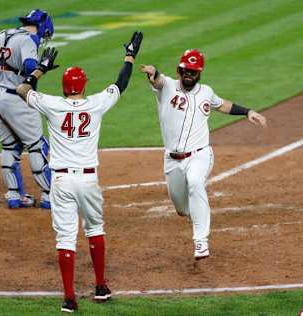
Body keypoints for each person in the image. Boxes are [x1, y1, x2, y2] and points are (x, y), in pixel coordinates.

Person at [17, 31, 143, 313]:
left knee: (65, 238)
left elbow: (22, 90)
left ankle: (69, 298)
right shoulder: (95, 103)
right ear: (84, 85)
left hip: (61, 181)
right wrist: (130, 55)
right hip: (88, 179)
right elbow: (120, 84)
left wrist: (39, 69)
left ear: (63, 87)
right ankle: (100, 286)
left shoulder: (52, 104)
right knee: (95, 229)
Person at [141, 49, 267, 260]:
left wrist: (248, 112)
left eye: (193, 71)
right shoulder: (168, 86)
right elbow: (157, 81)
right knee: (182, 209)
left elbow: (222, 105)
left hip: (199, 155)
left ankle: (201, 242)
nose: (189, 74)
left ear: (200, 73)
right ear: (179, 70)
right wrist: (153, 73)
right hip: (172, 160)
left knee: (196, 182)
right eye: (186, 70)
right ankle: (198, 214)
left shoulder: (206, 92)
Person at [0, 9, 54, 209]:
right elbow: (30, 66)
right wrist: (41, 68)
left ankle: (14, 195)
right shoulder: (28, 40)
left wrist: (2, 71)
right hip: (18, 99)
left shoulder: (3, 34)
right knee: (38, 145)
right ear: (42, 26)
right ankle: (50, 196)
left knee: (10, 146)